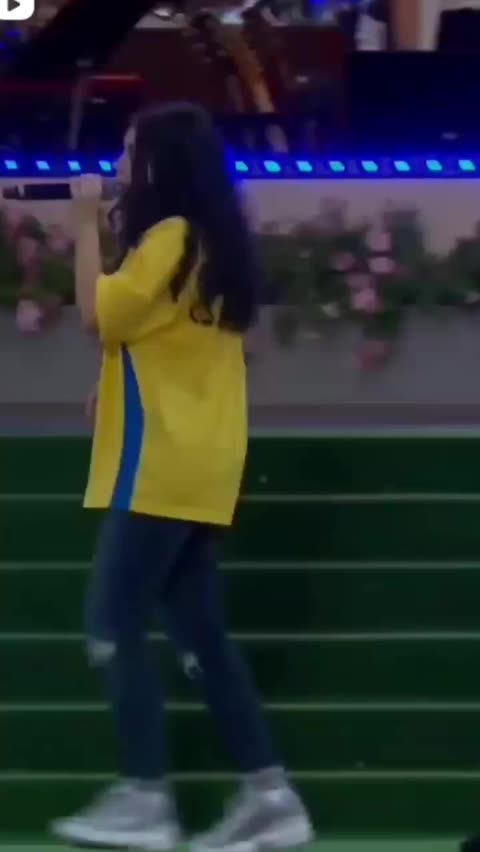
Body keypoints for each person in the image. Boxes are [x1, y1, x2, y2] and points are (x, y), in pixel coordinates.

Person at [51, 102, 314, 852]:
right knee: (202, 637)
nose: (119, 166)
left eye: (129, 151)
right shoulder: (210, 241)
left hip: (161, 462)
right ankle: (270, 796)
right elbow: (162, 343)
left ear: (159, 163)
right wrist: (113, 380)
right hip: (201, 460)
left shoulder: (169, 236)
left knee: (112, 623)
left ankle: (144, 797)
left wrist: (84, 224)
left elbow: (100, 315)